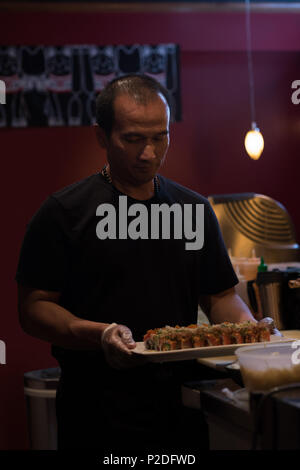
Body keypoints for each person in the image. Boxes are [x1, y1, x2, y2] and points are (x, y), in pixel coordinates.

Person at [16, 74, 257, 453]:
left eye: (159, 137)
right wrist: (99, 333)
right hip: (97, 408)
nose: (148, 153)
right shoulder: (64, 212)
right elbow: (33, 309)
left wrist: (251, 332)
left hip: (181, 403)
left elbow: (220, 296)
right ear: (101, 136)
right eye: (132, 139)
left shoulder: (193, 209)